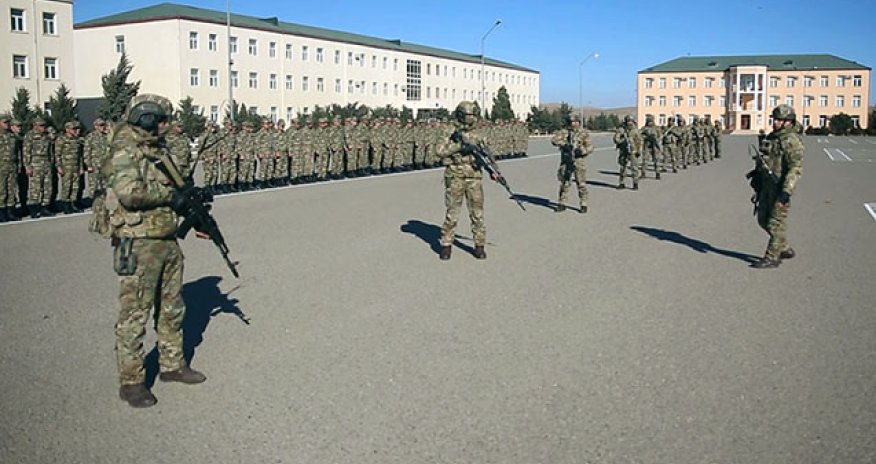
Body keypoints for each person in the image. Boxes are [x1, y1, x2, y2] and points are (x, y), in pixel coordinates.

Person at [102, 93, 206, 408]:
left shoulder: (156, 148)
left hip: (165, 236)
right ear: (146, 118)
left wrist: (191, 203)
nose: (166, 125)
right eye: (162, 119)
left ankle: (172, 365)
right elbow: (131, 193)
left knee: (173, 307)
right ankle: (132, 381)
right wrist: (170, 196)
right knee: (135, 313)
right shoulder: (124, 150)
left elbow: (174, 187)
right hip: (138, 240)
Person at [437, 101, 500, 260]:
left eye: (473, 115)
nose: (471, 118)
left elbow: (488, 155)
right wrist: (458, 147)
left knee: (477, 214)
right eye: (468, 115)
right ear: (460, 115)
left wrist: (494, 171)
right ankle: (446, 245)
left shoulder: (480, 133)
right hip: (455, 175)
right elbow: (439, 151)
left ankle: (479, 245)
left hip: (474, 176)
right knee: (452, 213)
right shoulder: (449, 131)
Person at [751, 104, 804, 269]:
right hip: (767, 187)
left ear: (788, 122)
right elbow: (765, 158)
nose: (775, 122)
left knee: (775, 223)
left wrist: (786, 191)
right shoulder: (772, 137)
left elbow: (796, 168)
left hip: (780, 187)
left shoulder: (791, 141)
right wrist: (757, 177)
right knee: (762, 219)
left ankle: (772, 257)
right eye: (774, 119)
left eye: (779, 120)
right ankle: (784, 247)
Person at [550, 115, 593, 213]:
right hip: (566, 161)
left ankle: (583, 203)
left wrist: (581, 151)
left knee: (581, 183)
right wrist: (564, 145)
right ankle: (562, 203)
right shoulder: (564, 132)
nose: (573, 124)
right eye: (571, 122)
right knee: (564, 183)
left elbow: (590, 147)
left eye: (575, 122)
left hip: (578, 161)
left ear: (579, 122)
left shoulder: (584, 133)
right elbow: (554, 140)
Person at [0, 115, 20, 221]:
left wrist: (19, 165)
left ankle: (11, 211)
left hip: (12, 166)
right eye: (4, 122)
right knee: (1, 190)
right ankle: (2, 213)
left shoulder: (12, 136)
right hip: (1, 167)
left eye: (8, 122)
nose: (7, 124)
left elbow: (17, 153)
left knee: (12, 190)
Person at [613, 116, 642, 190]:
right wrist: (622, 139)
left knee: (634, 168)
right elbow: (616, 140)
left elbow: (640, 142)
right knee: (623, 167)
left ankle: (635, 183)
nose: (629, 122)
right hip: (624, 151)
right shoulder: (621, 130)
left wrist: (639, 151)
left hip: (633, 151)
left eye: (630, 121)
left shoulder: (635, 131)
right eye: (628, 121)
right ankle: (622, 183)